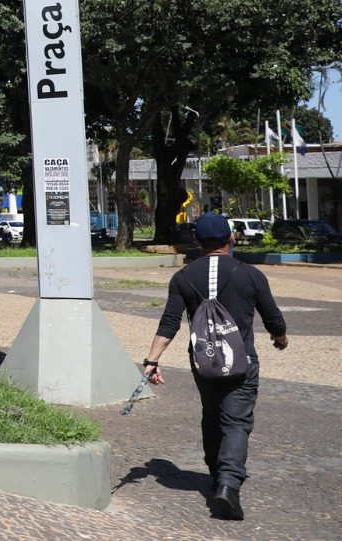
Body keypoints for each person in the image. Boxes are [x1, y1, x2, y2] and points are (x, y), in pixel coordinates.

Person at [141, 213, 288, 522]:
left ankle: (215, 473)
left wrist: (152, 360)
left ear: (197, 242)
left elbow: (169, 323)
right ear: (230, 239)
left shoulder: (183, 277)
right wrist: (280, 339)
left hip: (203, 362)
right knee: (237, 421)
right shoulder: (249, 275)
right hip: (241, 361)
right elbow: (273, 318)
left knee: (212, 413)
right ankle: (228, 484)